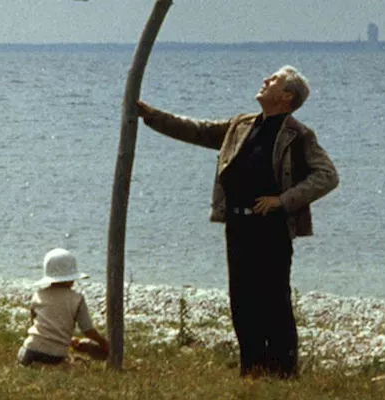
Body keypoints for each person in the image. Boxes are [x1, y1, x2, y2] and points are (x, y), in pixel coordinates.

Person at [137, 65, 339, 379]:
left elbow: (327, 176)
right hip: (238, 224)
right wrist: (150, 115)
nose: (264, 81)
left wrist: (282, 201)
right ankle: (252, 370)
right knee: (242, 299)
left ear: (286, 97)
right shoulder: (241, 125)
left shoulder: (297, 135)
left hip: (270, 227)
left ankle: (284, 373)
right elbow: (197, 130)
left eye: (272, 81)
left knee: (274, 300)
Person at [17, 248, 110, 367]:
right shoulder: (77, 299)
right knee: (78, 358)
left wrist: (65, 338)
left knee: (29, 358)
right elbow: (88, 330)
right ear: (71, 278)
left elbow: (37, 324)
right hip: (54, 356)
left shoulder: (38, 295)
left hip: (28, 351)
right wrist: (103, 342)